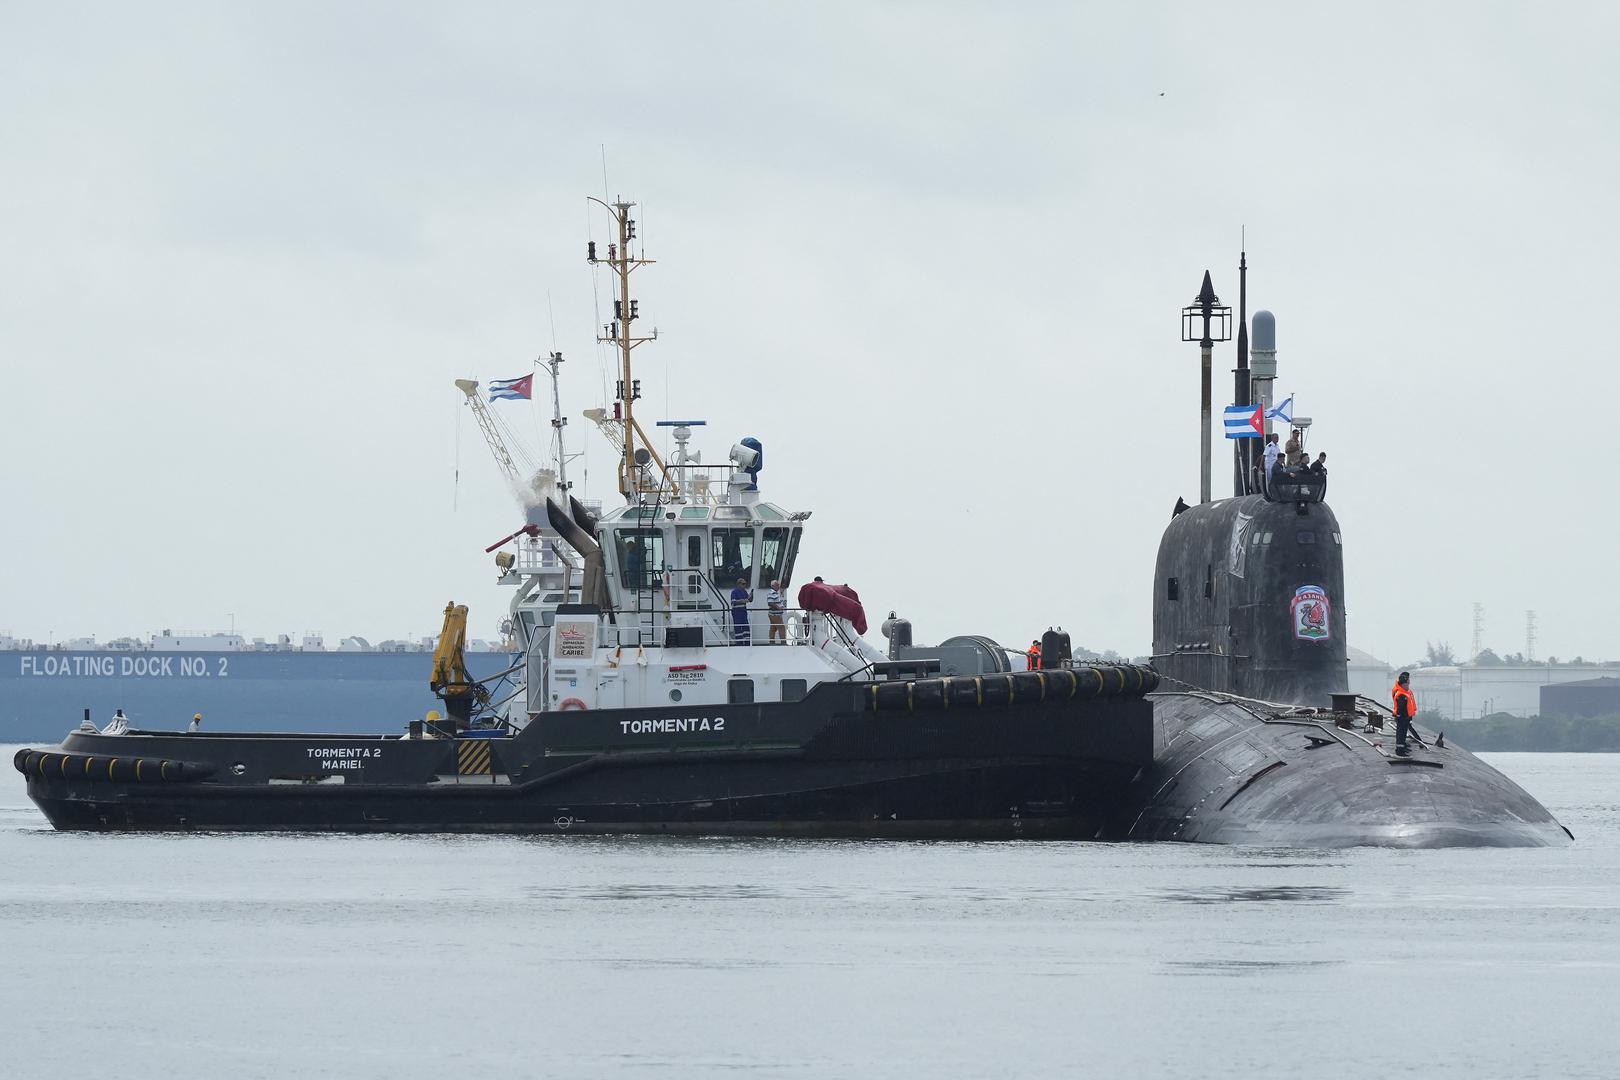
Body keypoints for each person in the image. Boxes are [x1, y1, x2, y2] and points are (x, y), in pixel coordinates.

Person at [1391, 671, 1418, 756]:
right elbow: (1400, 708)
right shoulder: (1401, 694)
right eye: (1407, 684)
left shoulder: (1405, 692)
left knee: (1403, 733)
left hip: (1406, 717)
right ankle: (1400, 750)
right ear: (1403, 684)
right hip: (1402, 717)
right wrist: (1402, 716)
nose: (1408, 686)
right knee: (1401, 734)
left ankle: (1402, 747)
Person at [730, 577, 753, 644]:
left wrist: (751, 594)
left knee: (746, 627)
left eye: (745, 584)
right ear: (738, 584)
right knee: (738, 628)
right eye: (743, 584)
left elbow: (749, 600)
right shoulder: (734, 592)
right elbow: (733, 601)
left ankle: (747, 642)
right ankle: (739, 643)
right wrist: (743, 601)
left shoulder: (744, 591)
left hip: (743, 612)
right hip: (737, 612)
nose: (744, 585)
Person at [766, 579, 786, 643]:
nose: (778, 586)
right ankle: (783, 642)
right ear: (773, 586)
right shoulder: (771, 593)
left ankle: (771, 641)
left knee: (773, 628)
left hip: (775, 614)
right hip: (775, 614)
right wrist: (778, 608)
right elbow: (770, 603)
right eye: (777, 585)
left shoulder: (775, 593)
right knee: (781, 627)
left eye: (778, 585)